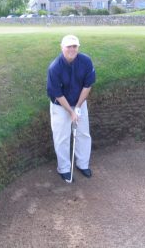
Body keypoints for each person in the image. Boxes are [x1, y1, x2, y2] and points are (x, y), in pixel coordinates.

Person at [47, 35, 96, 182]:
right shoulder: (55, 67)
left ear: (78, 47)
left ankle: (83, 164)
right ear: (62, 47)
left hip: (79, 102)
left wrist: (78, 108)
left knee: (83, 133)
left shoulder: (86, 61)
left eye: (74, 46)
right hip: (60, 106)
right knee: (62, 137)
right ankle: (64, 169)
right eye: (69, 46)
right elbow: (57, 94)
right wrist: (70, 111)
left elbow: (87, 86)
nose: (72, 49)